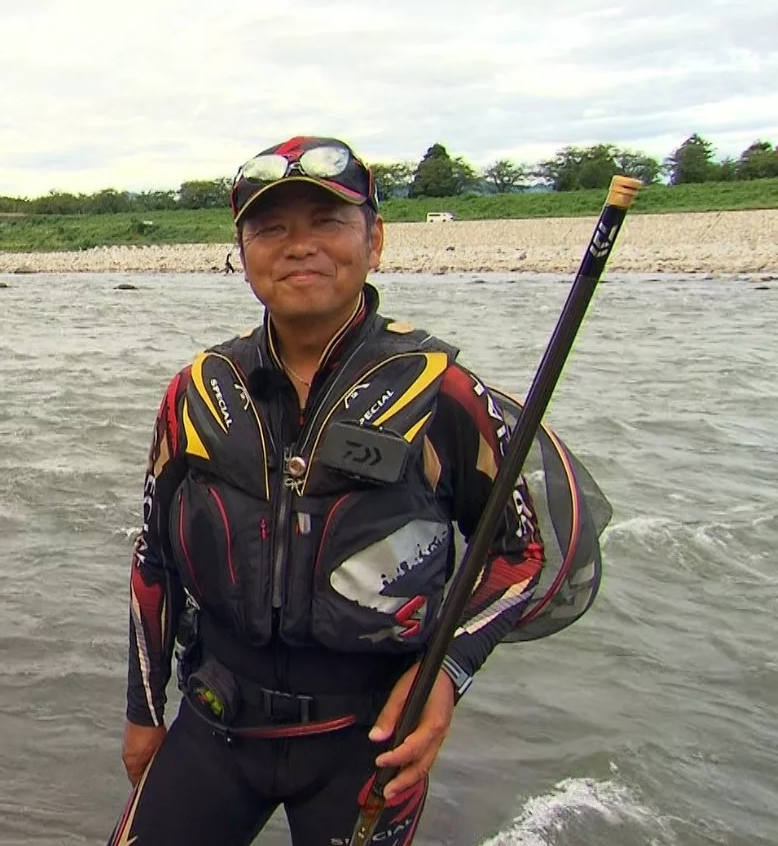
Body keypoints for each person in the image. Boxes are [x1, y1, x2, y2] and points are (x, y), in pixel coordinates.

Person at [108, 136, 551, 846]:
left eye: (328, 222)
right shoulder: (195, 392)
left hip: (371, 738)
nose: (299, 246)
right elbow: (152, 559)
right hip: (216, 716)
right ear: (242, 251)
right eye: (271, 227)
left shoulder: (443, 393)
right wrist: (143, 710)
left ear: (375, 240)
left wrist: (448, 671)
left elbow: (524, 556)